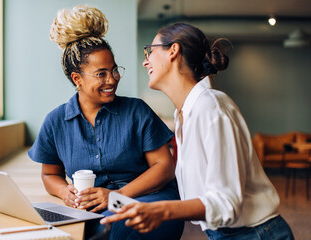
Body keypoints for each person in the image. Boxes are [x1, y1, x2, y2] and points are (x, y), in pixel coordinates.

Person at [101, 23, 295, 240]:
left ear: (173, 51)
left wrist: (162, 210)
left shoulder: (211, 107)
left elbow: (225, 202)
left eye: (150, 51)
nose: (145, 61)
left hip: (256, 234)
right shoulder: (184, 114)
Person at [27, 5, 184, 240]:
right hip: (94, 207)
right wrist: (64, 192)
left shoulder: (136, 111)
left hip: (149, 197)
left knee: (119, 224)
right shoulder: (55, 122)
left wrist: (116, 195)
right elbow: (50, 175)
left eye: (114, 70)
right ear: (77, 79)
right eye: (101, 73)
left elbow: (163, 168)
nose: (112, 79)